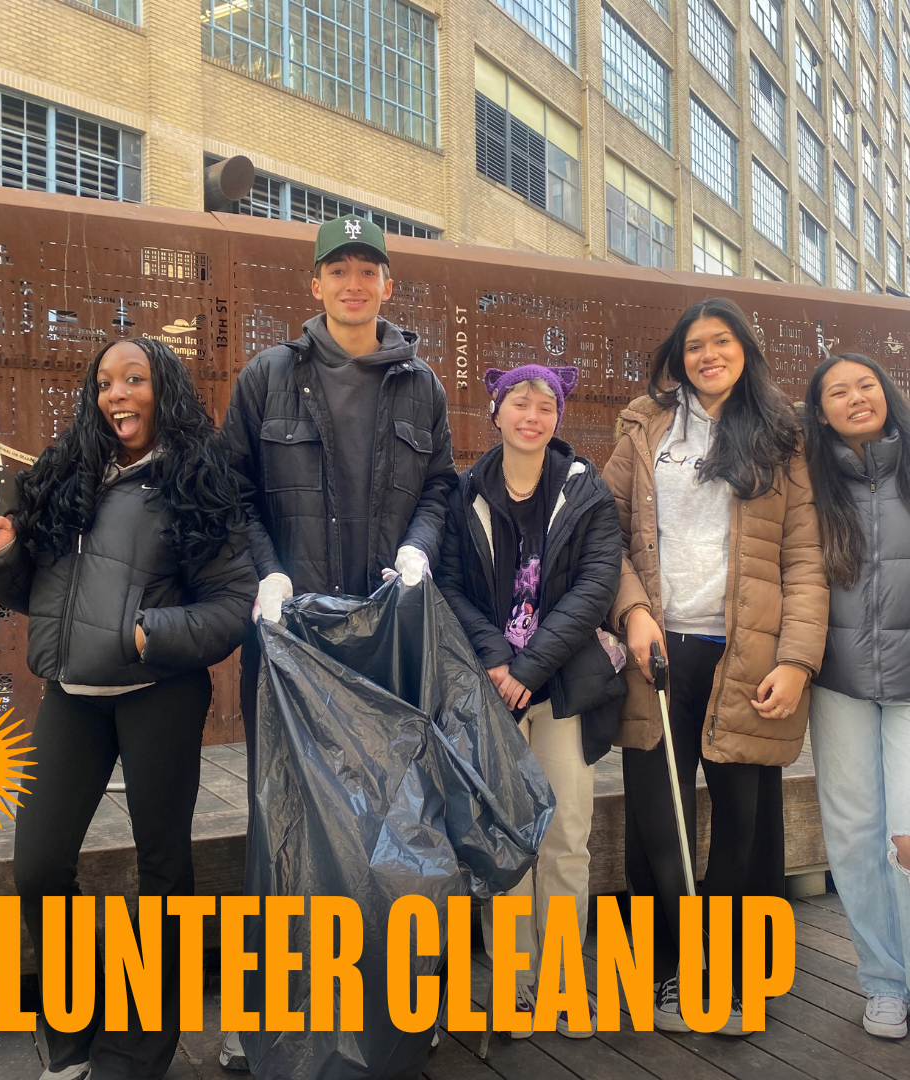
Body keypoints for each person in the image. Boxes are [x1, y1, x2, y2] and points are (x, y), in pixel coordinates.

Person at [0, 338, 257, 1080]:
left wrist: (146, 633)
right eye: (104, 382)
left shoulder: (196, 479)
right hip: (72, 699)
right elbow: (34, 595)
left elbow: (234, 605)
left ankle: (137, 1053)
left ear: (166, 390)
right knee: (38, 866)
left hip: (159, 693)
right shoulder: (68, 476)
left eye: (134, 379)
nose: (117, 394)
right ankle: (72, 1041)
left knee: (163, 873)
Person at [219, 214, 456, 1069]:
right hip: (291, 643)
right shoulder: (267, 378)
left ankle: (395, 1015)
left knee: (395, 831)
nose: (354, 283)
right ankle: (281, 1025)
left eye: (369, 270)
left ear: (389, 285)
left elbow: (440, 487)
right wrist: (267, 575)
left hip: (382, 644)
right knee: (286, 831)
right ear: (313, 285)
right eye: (338, 269)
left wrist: (418, 550)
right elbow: (233, 491)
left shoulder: (420, 385)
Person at [600, 297, 828, 1035]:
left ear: (744, 351)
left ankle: (731, 977)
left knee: (741, 824)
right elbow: (604, 532)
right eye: (694, 345)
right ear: (678, 356)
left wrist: (796, 660)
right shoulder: (644, 427)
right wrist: (633, 611)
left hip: (749, 656)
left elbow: (805, 558)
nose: (707, 356)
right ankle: (666, 974)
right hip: (658, 650)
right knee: (658, 821)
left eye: (720, 342)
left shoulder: (782, 436)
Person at [436, 364, 624, 1038]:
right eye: (520, 402)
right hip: (492, 693)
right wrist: (496, 657)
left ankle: (564, 979)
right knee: (506, 838)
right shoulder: (463, 495)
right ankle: (516, 987)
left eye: (547, 405)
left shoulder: (588, 493)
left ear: (559, 417)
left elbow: (597, 588)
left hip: (565, 689)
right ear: (496, 410)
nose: (533, 416)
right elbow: (449, 585)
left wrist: (531, 664)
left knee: (567, 834)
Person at [802, 353, 910, 1040]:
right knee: (853, 834)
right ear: (820, 412)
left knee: (907, 836)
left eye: (865, 385)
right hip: (836, 678)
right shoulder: (807, 481)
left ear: (887, 394)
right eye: (837, 392)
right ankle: (882, 981)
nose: (854, 397)